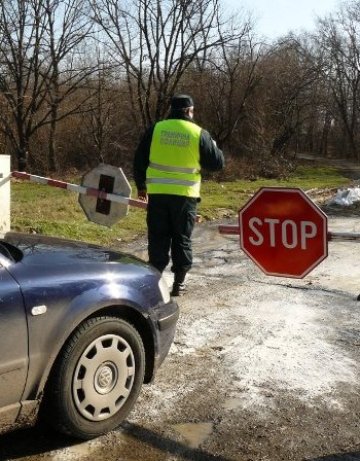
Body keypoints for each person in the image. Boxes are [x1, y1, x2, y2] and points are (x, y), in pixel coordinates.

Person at [133, 94, 224, 296]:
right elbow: (217, 164)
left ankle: (154, 281)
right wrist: (214, 146)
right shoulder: (198, 133)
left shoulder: (156, 129)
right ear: (189, 111)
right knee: (181, 238)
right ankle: (178, 284)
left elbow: (139, 159)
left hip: (157, 194)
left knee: (158, 238)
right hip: (185, 196)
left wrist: (141, 186)